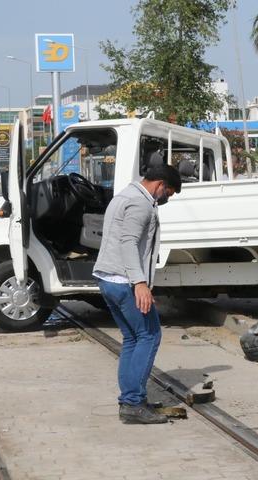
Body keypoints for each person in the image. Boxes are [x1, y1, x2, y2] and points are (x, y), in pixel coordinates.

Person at [93, 164, 182, 424]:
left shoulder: (122, 196)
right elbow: (129, 242)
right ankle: (132, 403)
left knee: (132, 339)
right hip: (124, 282)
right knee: (150, 335)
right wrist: (139, 282)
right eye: (170, 193)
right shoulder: (140, 203)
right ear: (160, 185)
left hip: (108, 280)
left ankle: (131, 399)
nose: (168, 199)